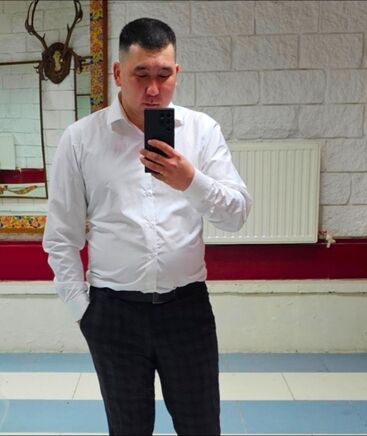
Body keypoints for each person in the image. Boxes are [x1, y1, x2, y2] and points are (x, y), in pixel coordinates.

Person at [43, 17, 251, 435]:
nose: (154, 89)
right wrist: (82, 311)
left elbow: (236, 215)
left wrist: (190, 181)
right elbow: (61, 235)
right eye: (141, 75)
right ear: (118, 73)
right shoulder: (81, 139)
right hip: (113, 313)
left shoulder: (201, 131)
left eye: (164, 74)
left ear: (177, 73)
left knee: (202, 427)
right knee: (128, 429)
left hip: (187, 310)